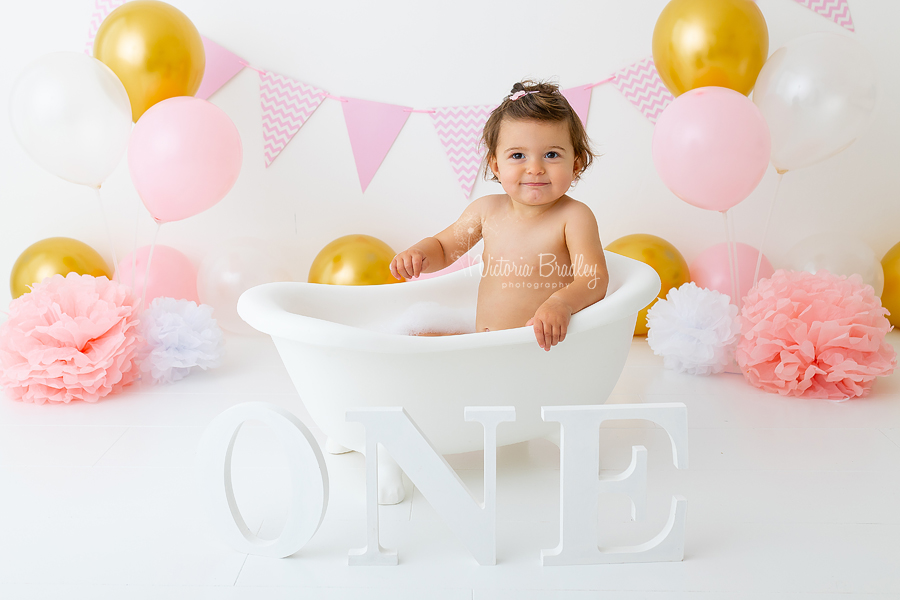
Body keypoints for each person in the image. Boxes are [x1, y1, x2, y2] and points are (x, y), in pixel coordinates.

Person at [390, 80, 609, 351]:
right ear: (495, 164)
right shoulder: (485, 211)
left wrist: (560, 303)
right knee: (413, 342)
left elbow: (594, 279)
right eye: (518, 155)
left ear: (576, 164)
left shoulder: (574, 217)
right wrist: (420, 253)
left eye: (551, 154)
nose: (535, 168)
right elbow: (445, 249)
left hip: (536, 347)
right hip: (484, 345)